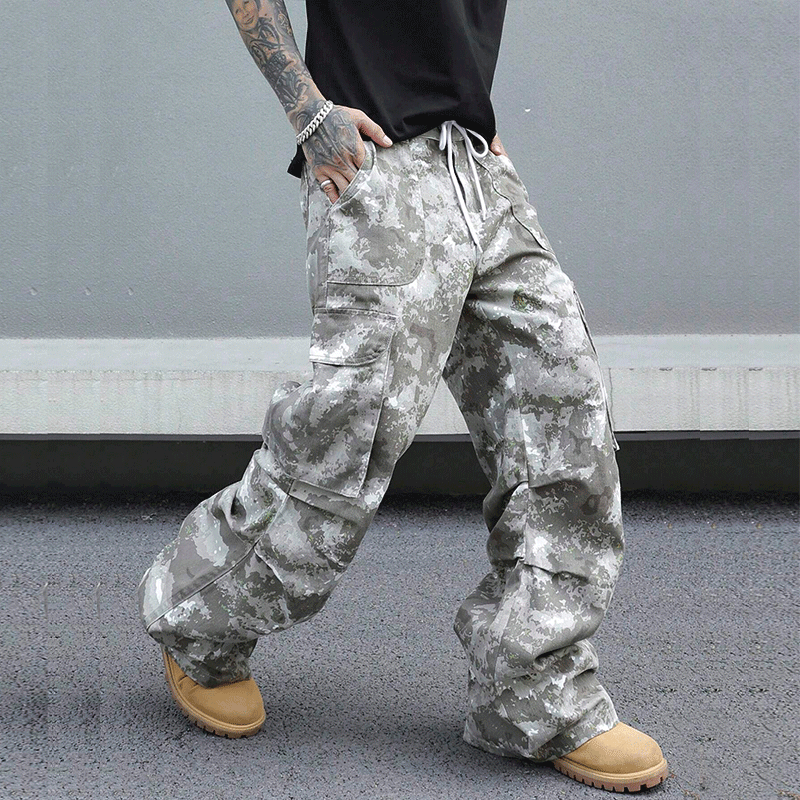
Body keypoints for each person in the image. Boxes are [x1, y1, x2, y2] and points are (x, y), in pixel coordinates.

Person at [137, 0, 670, 793]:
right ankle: (200, 615)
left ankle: (533, 694)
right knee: (348, 440)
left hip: (475, 163)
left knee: (566, 420)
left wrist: (473, 113)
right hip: (378, 163)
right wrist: (308, 112)